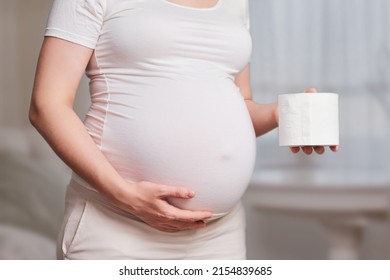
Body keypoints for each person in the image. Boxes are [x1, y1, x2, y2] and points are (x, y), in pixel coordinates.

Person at [29, 0, 338, 260]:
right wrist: (125, 195)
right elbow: (47, 105)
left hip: (218, 236)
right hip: (116, 226)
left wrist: (278, 114)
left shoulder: (235, 3)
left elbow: (239, 102)